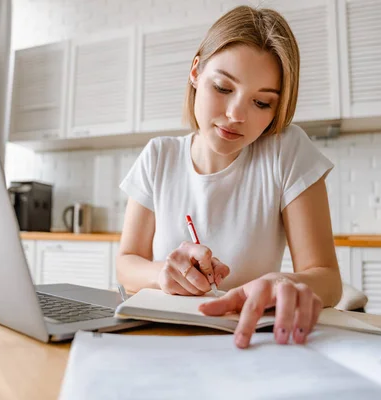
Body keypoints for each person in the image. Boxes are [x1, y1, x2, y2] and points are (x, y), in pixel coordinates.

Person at [116, 5, 342, 349]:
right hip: (164, 340)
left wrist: (283, 282)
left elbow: (327, 280)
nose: (236, 115)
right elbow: (126, 263)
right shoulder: (158, 156)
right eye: (222, 87)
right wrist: (162, 274)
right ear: (195, 72)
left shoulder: (287, 150)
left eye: (262, 103)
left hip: (252, 342)